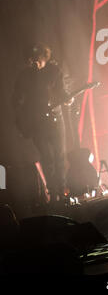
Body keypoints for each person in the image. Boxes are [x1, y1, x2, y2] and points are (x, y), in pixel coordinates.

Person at [12, 43, 72, 204]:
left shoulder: (54, 71)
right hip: (37, 123)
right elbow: (16, 100)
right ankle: (53, 193)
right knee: (47, 157)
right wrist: (21, 119)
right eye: (30, 58)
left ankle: (62, 190)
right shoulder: (24, 76)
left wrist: (68, 99)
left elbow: (62, 92)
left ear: (44, 56)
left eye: (37, 57)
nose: (34, 61)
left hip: (55, 120)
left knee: (59, 155)